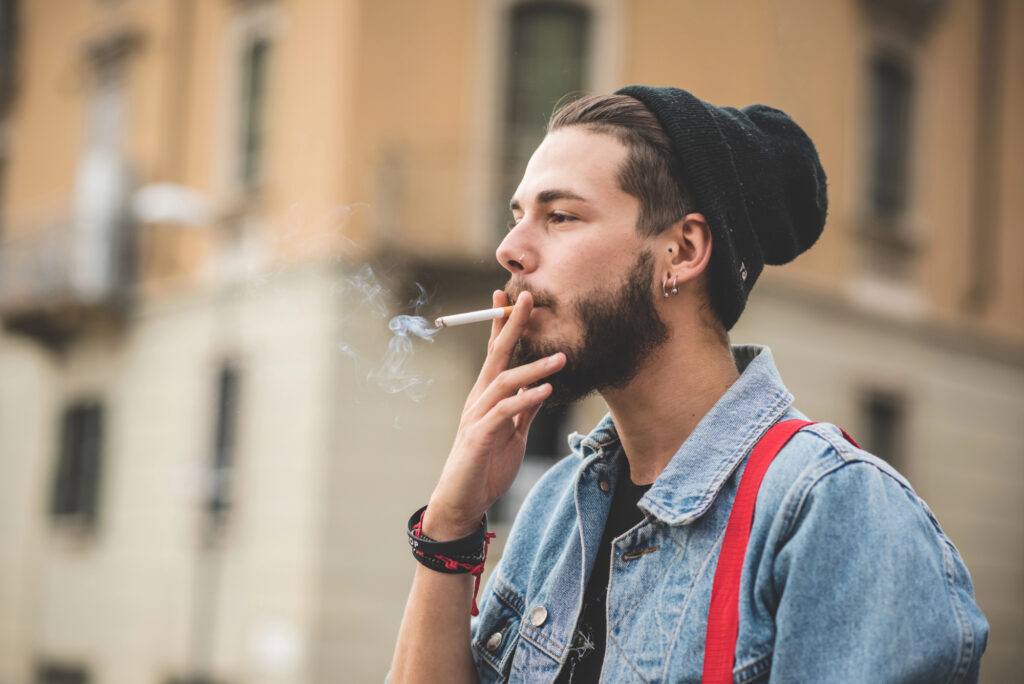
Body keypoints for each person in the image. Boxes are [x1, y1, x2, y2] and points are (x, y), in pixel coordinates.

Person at [388, 86, 988, 683]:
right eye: (517, 217)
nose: (510, 249)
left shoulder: (831, 511)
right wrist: (450, 526)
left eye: (560, 217)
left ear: (683, 251)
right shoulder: (556, 507)